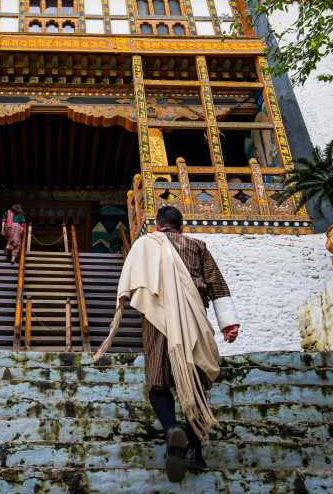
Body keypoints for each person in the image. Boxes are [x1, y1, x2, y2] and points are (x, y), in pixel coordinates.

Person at [95, 205, 240, 482]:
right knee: (194, 382)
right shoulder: (197, 246)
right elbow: (217, 284)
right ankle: (196, 453)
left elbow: (130, 280)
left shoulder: (144, 244)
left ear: (158, 226)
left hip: (157, 321)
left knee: (158, 382)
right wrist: (228, 323)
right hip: (193, 319)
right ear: (181, 227)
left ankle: (172, 428)